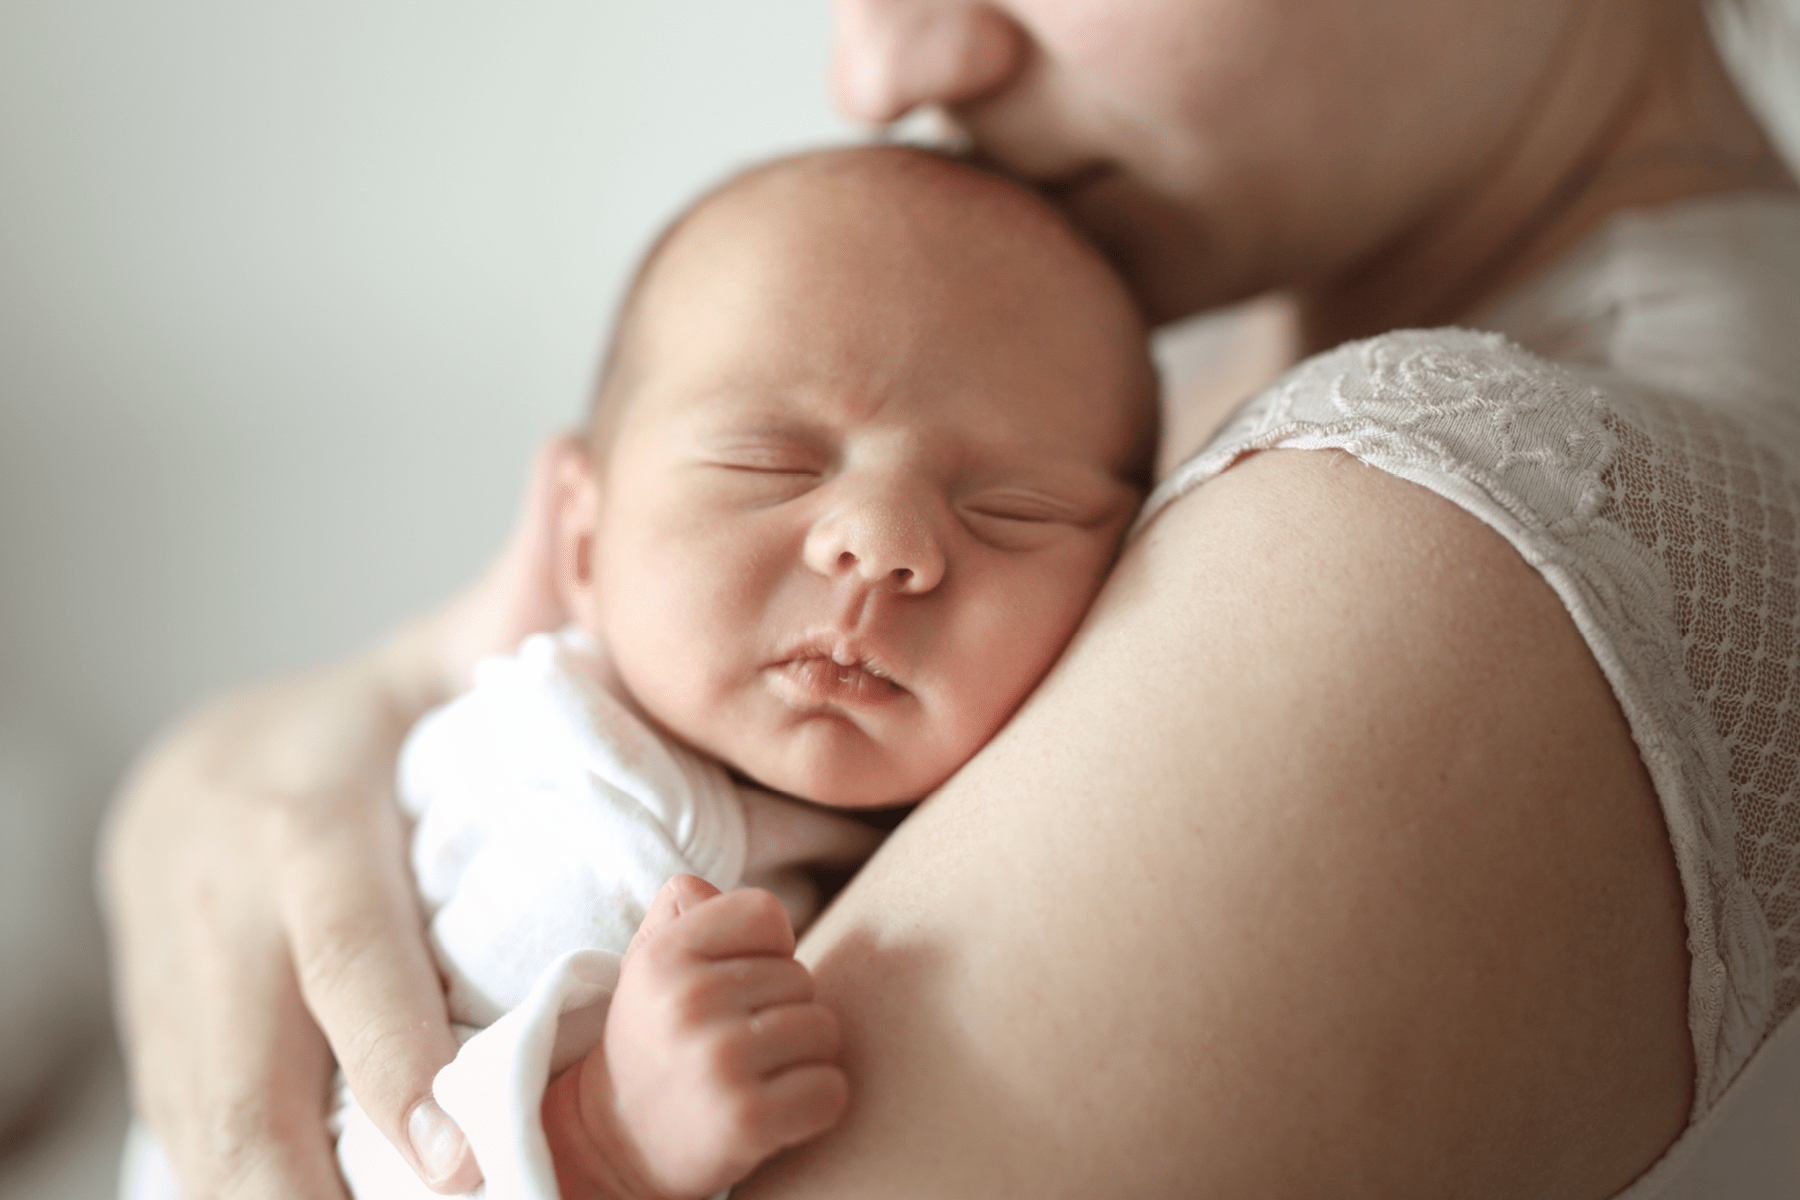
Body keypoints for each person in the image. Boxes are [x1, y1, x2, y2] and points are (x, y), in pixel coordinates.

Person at [101, 0, 1800, 1197]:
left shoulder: (1437, 544)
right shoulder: (1137, 361)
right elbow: (387, 712)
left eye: (1008, 512)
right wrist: (212, 787)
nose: (887, 62)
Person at [119, 144, 1158, 1200]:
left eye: (1014, 512)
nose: (882, 539)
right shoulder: (595, 814)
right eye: (771, 463)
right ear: (580, 542)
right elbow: (344, 1146)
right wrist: (597, 1139)